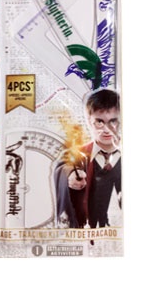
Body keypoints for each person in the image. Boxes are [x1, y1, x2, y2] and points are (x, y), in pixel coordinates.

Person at [54, 88, 121, 228]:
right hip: (88, 232)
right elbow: (64, 166)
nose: (107, 129)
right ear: (89, 121)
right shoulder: (78, 154)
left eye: (113, 121)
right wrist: (70, 175)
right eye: (99, 122)